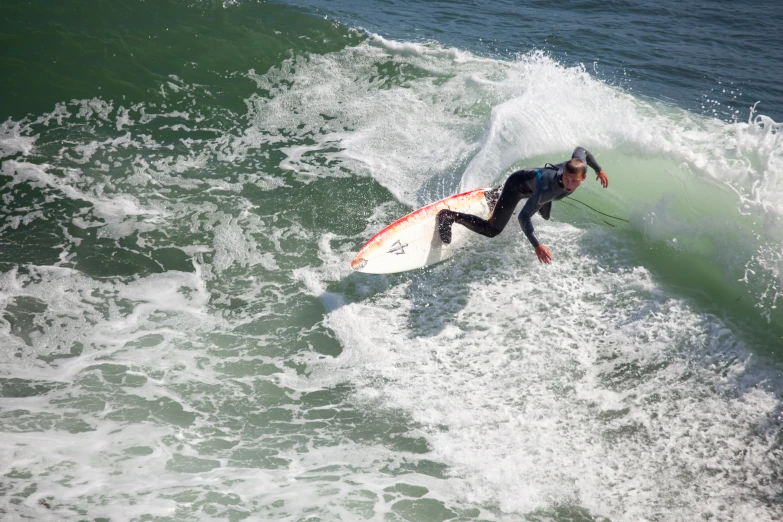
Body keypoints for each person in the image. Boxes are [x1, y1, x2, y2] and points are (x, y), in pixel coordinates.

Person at [437, 147, 609, 264]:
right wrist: (536, 244)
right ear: (563, 172)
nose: (569, 183)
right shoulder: (547, 191)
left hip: (531, 181)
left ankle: (494, 195)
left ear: (583, 178)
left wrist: (598, 169)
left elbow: (583, 151)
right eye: (566, 178)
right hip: (517, 186)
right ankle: (449, 216)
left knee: (545, 216)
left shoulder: (577, 163)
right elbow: (523, 217)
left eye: (574, 181)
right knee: (492, 230)